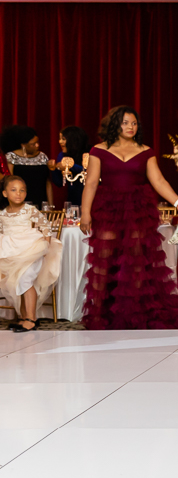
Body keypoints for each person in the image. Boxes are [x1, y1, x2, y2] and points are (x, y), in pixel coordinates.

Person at [80, 106, 178, 330]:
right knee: (103, 258)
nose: (130, 127)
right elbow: (92, 183)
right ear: (115, 124)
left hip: (137, 209)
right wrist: (85, 213)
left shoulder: (146, 151)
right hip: (108, 208)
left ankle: (133, 312)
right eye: (125, 123)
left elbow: (159, 181)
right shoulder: (98, 150)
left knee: (135, 260)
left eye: (134, 123)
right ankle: (101, 312)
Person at [0, 176, 62, 332]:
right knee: (16, 280)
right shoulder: (3, 214)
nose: (18, 194)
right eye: (13, 190)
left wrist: (45, 246)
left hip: (32, 249)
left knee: (26, 278)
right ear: (5, 193)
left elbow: (45, 226)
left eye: (22, 190)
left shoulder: (29, 210)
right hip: (13, 251)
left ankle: (31, 318)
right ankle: (23, 316)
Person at [2, 126, 52, 207]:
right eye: (33, 144)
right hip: (20, 201)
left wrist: (50, 205)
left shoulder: (42, 157)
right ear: (23, 145)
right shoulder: (11, 157)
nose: (37, 145)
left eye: (37, 142)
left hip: (41, 202)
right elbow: (9, 182)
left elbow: (47, 183)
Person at [49, 125, 90, 206]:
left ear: (73, 140)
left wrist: (71, 166)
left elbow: (89, 172)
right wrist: (53, 169)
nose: (60, 142)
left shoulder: (89, 153)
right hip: (73, 201)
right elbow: (59, 183)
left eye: (63, 139)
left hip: (91, 198)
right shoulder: (62, 156)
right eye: (60, 139)